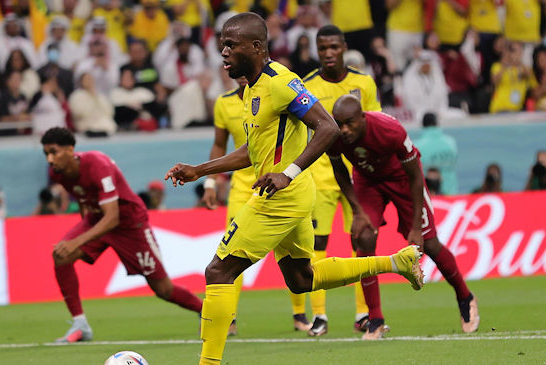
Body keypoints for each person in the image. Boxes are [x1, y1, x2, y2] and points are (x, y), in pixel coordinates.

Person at [164, 13, 424, 364]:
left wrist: (287, 172)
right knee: (302, 279)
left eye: (230, 45)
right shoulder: (252, 88)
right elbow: (252, 151)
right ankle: (396, 261)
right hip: (289, 194)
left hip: (281, 197)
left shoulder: (281, 82)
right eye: (222, 44)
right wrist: (201, 170)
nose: (223, 52)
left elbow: (328, 128)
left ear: (256, 47)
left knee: (218, 271)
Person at [327, 95, 479, 340]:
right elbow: (339, 170)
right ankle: (375, 319)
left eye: (349, 123)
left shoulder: (390, 130)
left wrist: (417, 228)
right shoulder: (333, 135)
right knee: (364, 238)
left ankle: (465, 296)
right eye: (339, 123)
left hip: (403, 180)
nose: (344, 129)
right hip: (368, 182)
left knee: (429, 244)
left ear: (362, 118)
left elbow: (416, 175)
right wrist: (357, 211)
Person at [41, 127, 203, 343]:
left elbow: (113, 217)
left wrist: (78, 240)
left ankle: (211, 312)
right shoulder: (58, 173)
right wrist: (81, 232)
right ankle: (81, 325)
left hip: (129, 224)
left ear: (70, 149)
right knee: (61, 255)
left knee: (163, 289)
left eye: (54, 152)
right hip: (98, 220)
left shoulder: (97, 164)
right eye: (46, 154)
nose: (50, 159)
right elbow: (82, 197)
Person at [299, 24, 382, 337]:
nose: (329, 54)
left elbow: (376, 126)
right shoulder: (305, 86)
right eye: (323, 48)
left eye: (334, 47)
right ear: (317, 50)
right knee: (316, 245)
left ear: (344, 46)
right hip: (319, 177)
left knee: (360, 242)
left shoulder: (363, 83)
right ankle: (319, 315)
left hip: (358, 176)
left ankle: (364, 313)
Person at [202, 76, 252, 336]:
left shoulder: (274, 92)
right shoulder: (223, 103)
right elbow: (219, 145)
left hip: (281, 181)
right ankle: (229, 317)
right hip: (242, 186)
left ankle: (301, 314)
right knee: (233, 251)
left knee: (290, 250)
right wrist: (211, 183)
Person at [414, 113, 458, 195]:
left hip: (429, 196)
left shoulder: (417, 146)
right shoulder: (451, 143)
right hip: (451, 194)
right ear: (437, 124)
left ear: (422, 125)